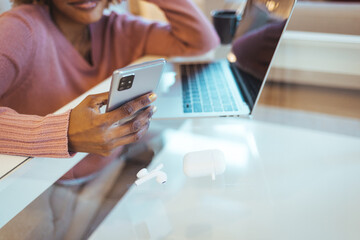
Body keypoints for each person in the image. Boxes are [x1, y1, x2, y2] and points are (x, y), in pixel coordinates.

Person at [0, 0, 219, 238]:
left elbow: (201, 42)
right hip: (38, 182)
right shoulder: (19, 29)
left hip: (103, 174)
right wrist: (62, 132)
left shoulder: (119, 27)